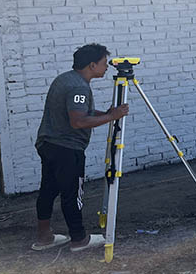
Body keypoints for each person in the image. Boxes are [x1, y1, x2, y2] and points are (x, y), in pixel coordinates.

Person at [32, 43, 129, 252]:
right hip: (66, 148)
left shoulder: (66, 79)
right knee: (71, 193)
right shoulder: (79, 87)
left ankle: (44, 237)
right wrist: (112, 117)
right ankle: (79, 239)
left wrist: (105, 113)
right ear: (92, 65)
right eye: (104, 63)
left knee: (48, 190)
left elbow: (78, 112)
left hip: (49, 144)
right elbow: (78, 121)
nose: (106, 67)